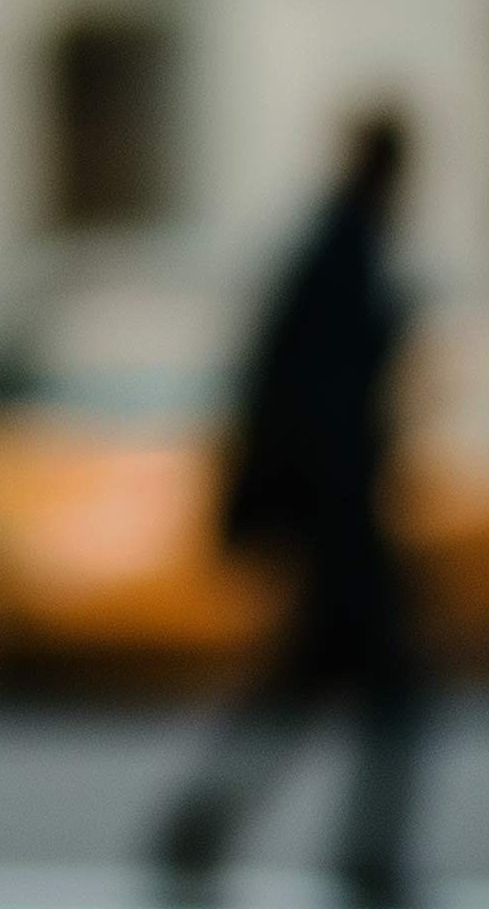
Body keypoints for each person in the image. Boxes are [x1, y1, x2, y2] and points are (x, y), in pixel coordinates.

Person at [156, 110, 426, 908]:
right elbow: (318, 409)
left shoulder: (341, 248)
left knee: (302, 690)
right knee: (385, 695)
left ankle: (203, 828)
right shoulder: (344, 256)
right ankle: (367, 860)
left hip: (336, 522)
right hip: (342, 525)